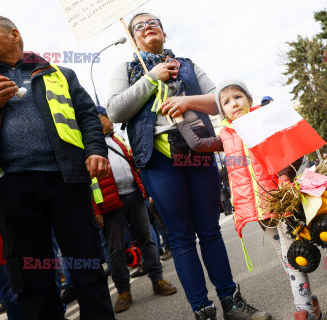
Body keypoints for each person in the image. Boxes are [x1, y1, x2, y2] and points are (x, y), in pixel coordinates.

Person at [106, 13, 270, 320]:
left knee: (209, 230)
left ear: (164, 34)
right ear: (132, 38)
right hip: (158, 159)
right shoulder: (125, 69)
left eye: (153, 22)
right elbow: (115, 110)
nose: (146, 27)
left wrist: (187, 102)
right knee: (180, 236)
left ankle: (231, 303)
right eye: (138, 26)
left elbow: (217, 101)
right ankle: (202, 310)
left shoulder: (189, 65)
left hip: (197, 150)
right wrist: (151, 77)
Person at [0, 15, 115, 319]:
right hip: (9, 188)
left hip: (66, 180)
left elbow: (88, 116)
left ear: (14, 34)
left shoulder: (60, 74)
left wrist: (95, 150)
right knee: (31, 279)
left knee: (87, 268)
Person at [175, 80, 322, 320]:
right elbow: (197, 144)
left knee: (292, 255)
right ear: (222, 112)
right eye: (226, 102)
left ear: (249, 100)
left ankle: (303, 310)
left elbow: (295, 150)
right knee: (286, 258)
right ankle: (310, 302)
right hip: (261, 211)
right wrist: (180, 120)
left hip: (281, 202)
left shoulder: (264, 122)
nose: (234, 104)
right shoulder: (226, 135)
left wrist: (285, 175)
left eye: (238, 97)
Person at [94, 106, 177, 313]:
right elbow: (90, 181)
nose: (110, 121)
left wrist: (146, 191)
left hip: (134, 196)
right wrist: (95, 209)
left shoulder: (118, 140)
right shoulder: (91, 148)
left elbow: (134, 165)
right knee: (115, 249)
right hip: (110, 205)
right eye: (105, 118)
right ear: (96, 121)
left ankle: (157, 279)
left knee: (147, 239)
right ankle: (123, 291)